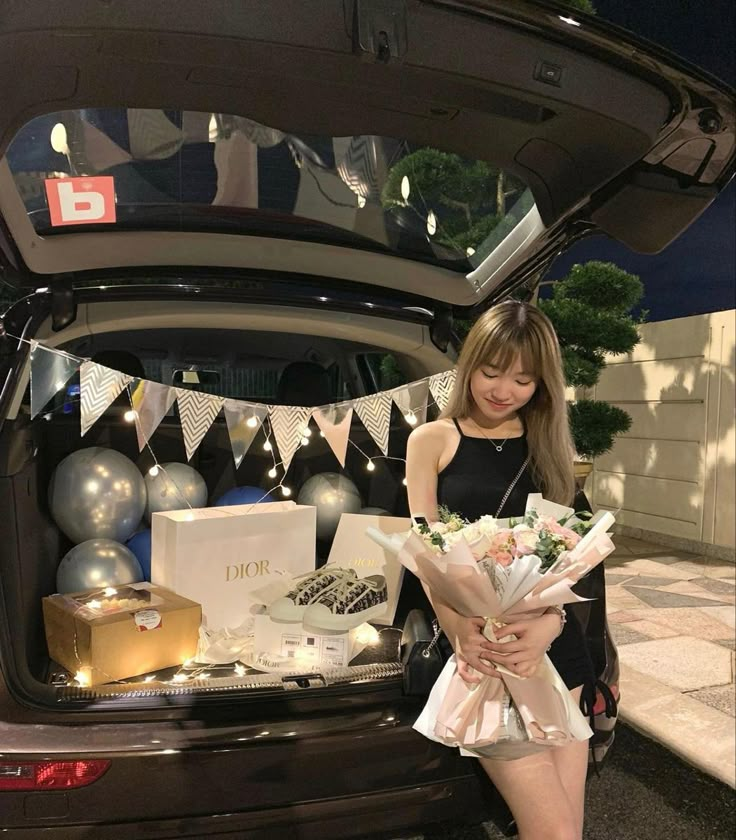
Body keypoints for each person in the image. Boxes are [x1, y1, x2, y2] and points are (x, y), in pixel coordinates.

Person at [406, 300, 594, 840]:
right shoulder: (433, 440)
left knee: (565, 830)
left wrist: (551, 624)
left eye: (522, 379)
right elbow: (427, 555)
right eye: (491, 371)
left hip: (557, 653)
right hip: (485, 655)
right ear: (470, 365)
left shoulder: (550, 443)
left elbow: (570, 555)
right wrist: (458, 628)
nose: (502, 389)